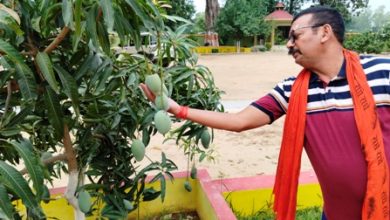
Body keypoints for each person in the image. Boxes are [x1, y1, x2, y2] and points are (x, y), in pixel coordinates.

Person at [141, 6, 390, 220]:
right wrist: (178, 110)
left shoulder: (381, 72)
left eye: (295, 36)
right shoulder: (292, 90)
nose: (289, 44)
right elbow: (239, 120)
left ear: (325, 32)